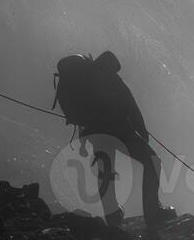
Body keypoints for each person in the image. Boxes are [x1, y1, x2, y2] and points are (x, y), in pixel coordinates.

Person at [52, 52, 172, 226]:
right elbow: (130, 105)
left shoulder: (78, 80)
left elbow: (79, 113)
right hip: (120, 129)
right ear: (110, 65)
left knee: (106, 170)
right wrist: (142, 131)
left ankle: (112, 214)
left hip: (95, 133)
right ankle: (152, 211)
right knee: (152, 162)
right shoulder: (110, 77)